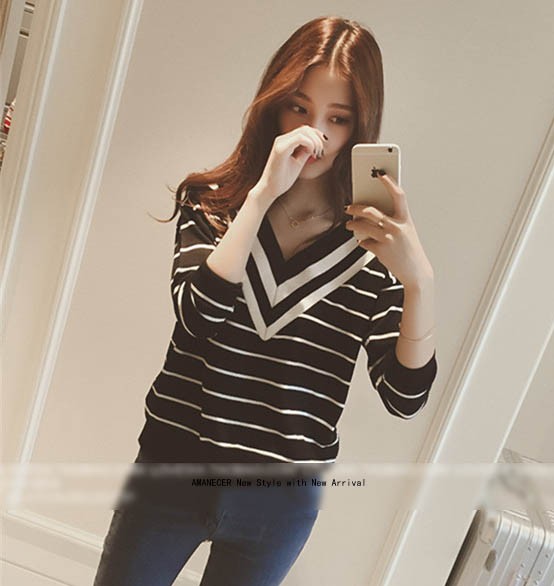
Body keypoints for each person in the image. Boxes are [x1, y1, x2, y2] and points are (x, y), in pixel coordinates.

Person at [93, 15, 438, 586]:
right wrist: (258, 199)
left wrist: (420, 281)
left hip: (279, 503)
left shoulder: (374, 246)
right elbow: (198, 317)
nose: (315, 132)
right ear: (273, 105)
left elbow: (404, 397)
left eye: (338, 118)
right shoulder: (213, 203)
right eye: (299, 108)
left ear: (362, 126)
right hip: (173, 467)